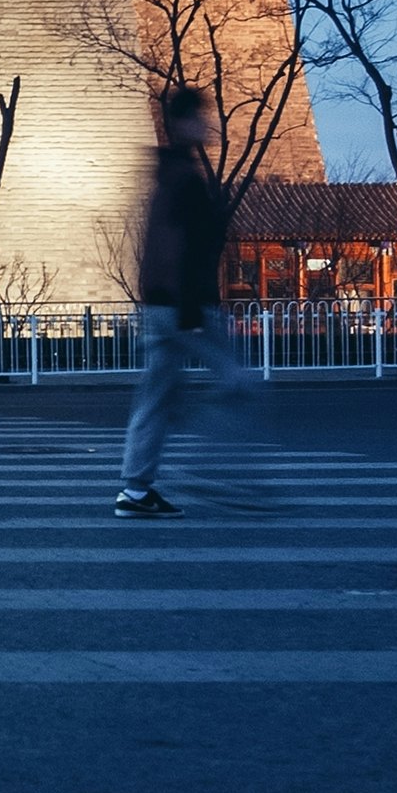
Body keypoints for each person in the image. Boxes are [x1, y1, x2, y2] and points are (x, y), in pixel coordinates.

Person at [114, 85, 247, 519]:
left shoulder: (165, 174)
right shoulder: (184, 179)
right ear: (181, 124)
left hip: (158, 305)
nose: (207, 124)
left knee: (155, 397)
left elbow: (152, 247)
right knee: (239, 383)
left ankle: (135, 491)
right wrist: (189, 309)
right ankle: (207, 470)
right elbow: (178, 249)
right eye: (200, 117)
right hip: (184, 305)